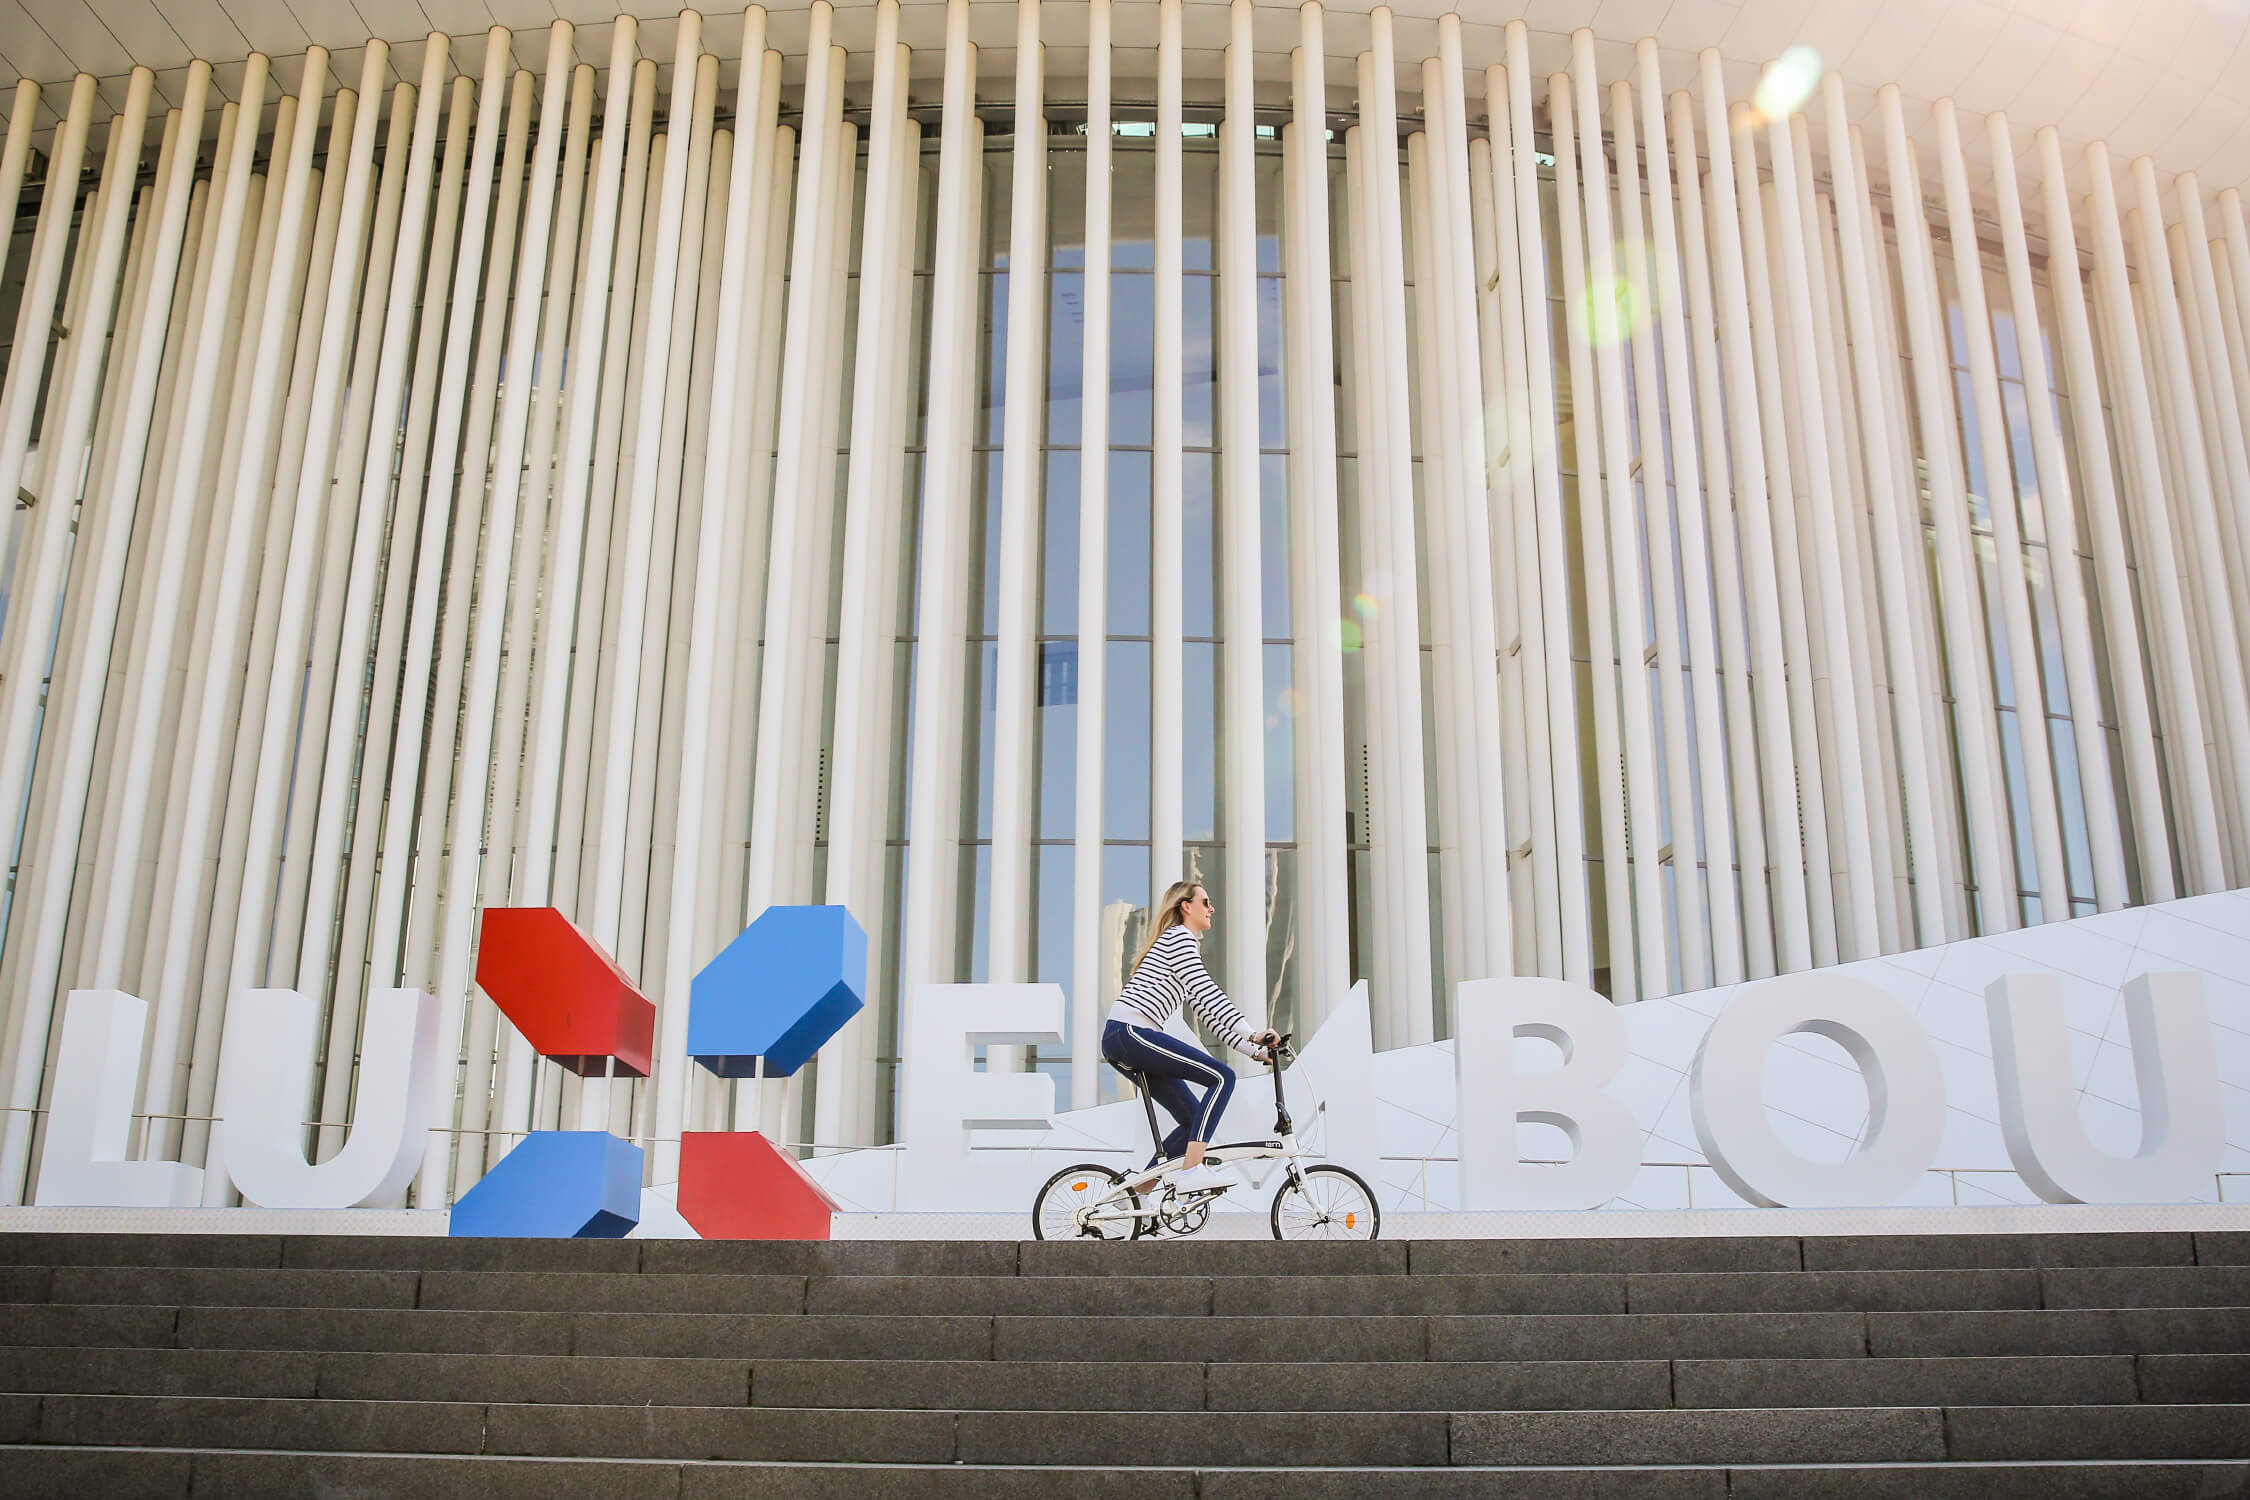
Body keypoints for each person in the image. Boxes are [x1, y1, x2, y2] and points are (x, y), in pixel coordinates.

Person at [1102, 880, 1281, 1194]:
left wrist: (1254, 1051)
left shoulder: (1178, 945)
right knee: (1222, 1077)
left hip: (1126, 1037)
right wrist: (1252, 1033)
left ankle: (1137, 1194)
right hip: (1130, 1032)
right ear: (1186, 906)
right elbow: (1208, 992)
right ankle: (1192, 1170)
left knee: (1190, 1119)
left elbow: (1207, 1013)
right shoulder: (1179, 938)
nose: (1212, 909)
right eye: (1205, 902)